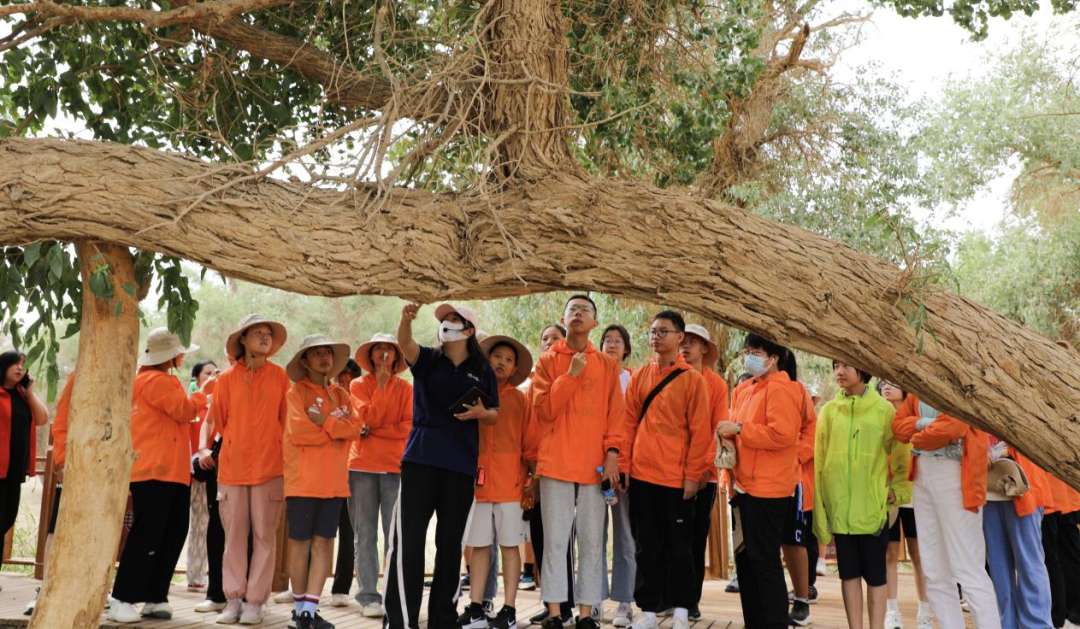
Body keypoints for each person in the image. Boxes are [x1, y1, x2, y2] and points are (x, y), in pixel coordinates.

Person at [384, 303, 499, 629]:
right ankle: (401, 620)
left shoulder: (482, 369)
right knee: (408, 543)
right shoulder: (428, 359)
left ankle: (443, 620)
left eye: (453, 319)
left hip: (461, 466)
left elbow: (494, 413)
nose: (446, 323)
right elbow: (404, 344)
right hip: (420, 459)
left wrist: (482, 414)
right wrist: (405, 319)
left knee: (450, 546)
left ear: (469, 330)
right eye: (443, 320)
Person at [531, 295, 625, 629]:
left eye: (585, 310)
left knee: (592, 542)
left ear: (594, 322)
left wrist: (613, 453)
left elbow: (616, 413)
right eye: (573, 309)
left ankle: (587, 613)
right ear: (563, 318)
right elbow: (544, 411)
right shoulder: (547, 361)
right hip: (556, 462)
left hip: (594, 465)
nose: (579, 314)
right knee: (555, 541)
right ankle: (556, 612)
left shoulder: (608, 365)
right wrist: (570, 375)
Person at [107, 329, 205, 623]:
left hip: (167, 469)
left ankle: (155, 596)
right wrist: (203, 395)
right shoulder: (157, 380)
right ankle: (123, 597)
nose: (183, 356)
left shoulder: (147, 380)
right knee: (150, 533)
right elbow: (184, 410)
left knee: (169, 532)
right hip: (157, 469)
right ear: (171, 356)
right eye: (180, 352)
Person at [623, 311, 711, 629]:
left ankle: (682, 610)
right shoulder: (640, 376)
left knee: (679, 546)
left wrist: (692, 476)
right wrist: (625, 466)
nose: (656, 337)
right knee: (646, 545)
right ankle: (648, 610)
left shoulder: (692, 380)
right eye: (653, 331)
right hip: (642, 475)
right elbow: (627, 423)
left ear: (679, 337)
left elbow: (701, 433)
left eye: (663, 331)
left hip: (676, 478)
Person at [715, 334, 802, 629]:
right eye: (747, 351)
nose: (748, 357)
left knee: (764, 561)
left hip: (769, 489)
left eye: (756, 351)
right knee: (747, 561)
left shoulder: (783, 389)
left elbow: (782, 435)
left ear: (773, 358)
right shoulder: (745, 389)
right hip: (742, 486)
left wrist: (740, 428)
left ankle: (775, 622)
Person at [893, 394, 1000, 629]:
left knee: (968, 568)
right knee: (934, 569)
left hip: (957, 474)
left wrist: (917, 434)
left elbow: (953, 427)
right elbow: (898, 427)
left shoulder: (962, 383)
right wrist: (925, 424)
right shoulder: (916, 389)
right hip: (922, 476)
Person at [813, 361, 907, 629]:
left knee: (876, 576)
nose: (839, 372)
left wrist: (899, 489)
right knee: (849, 575)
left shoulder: (884, 410)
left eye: (847, 366)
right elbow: (819, 462)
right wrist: (821, 509)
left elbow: (902, 451)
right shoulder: (829, 412)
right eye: (836, 366)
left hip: (872, 510)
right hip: (840, 511)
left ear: (863, 370)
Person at [209, 314, 290, 624]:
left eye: (268, 333)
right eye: (258, 332)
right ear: (242, 338)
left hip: (270, 468)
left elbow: (286, 420)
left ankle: (255, 602)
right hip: (233, 469)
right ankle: (233, 601)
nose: (265, 337)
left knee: (265, 536)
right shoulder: (226, 379)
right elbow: (220, 420)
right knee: (234, 537)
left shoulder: (280, 376)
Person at [282, 335, 358, 629]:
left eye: (328, 352)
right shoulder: (295, 393)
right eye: (317, 353)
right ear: (304, 361)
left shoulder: (342, 395)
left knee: (324, 542)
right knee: (300, 543)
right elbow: (299, 432)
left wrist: (324, 422)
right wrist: (335, 431)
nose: (325, 357)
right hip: (302, 481)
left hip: (334, 482)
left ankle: (309, 610)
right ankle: (299, 608)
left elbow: (355, 428)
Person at [459, 335, 534, 629]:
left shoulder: (519, 398)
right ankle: (476, 608)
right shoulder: (472, 393)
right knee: (479, 546)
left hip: (510, 483)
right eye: (497, 357)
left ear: (515, 368)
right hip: (476, 482)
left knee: (510, 546)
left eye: (509, 359)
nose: (502, 362)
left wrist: (531, 478)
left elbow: (529, 442)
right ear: (486, 360)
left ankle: (509, 609)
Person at [348, 334, 412, 618]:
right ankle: (368, 596)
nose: (384, 353)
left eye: (390, 349)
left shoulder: (407, 389)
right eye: (379, 348)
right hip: (361, 466)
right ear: (370, 355)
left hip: (395, 467)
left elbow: (407, 428)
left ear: (397, 357)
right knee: (364, 534)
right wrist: (383, 388)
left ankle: (393, 593)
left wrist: (375, 430)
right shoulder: (357, 385)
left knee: (394, 535)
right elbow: (367, 419)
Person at [522, 323, 577, 626]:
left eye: (555, 337)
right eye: (544, 338)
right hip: (535, 467)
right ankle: (551, 602)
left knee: (560, 539)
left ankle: (566, 605)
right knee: (540, 536)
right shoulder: (535, 382)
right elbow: (529, 427)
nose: (549, 342)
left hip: (560, 466)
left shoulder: (573, 377)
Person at [678, 323, 729, 622]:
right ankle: (669, 596)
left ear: (705, 348)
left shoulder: (716, 385)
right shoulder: (672, 375)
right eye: (683, 340)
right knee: (670, 536)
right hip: (669, 470)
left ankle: (690, 599)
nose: (686, 346)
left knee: (696, 538)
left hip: (704, 474)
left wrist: (700, 469)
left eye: (694, 341)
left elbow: (717, 429)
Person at [982, 435, 1054, 629]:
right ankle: (1008, 624)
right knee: (998, 567)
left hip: (1023, 485)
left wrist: (999, 451)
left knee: (1029, 563)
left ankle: (1037, 625)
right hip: (988, 490)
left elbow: (1038, 438)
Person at [877, 380, 931, 629]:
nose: (887, 387)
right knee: (889, 552)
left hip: (914, 492)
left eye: (893, 383)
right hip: (886, 493)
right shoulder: (879, 415)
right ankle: (892, 611)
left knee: (918, 553)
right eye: (883, 383)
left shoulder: (917, 413)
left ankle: (925, 611)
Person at [599, 323, 635, 627]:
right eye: (607, 340)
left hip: (621, 469)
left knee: (625, 536)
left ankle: (625, 600)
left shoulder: (632, 381)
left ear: (626, 349)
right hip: (592, 469)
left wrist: (624, 465)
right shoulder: (591, 377)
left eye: (617, 341)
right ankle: (594, 598)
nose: (611, 344)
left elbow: (633, 429)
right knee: (593, 535)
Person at [779, 354, 818, 626]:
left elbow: (811, 430)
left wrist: (795, 457)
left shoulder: (797, 392)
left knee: (793, 542)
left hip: (794, 480)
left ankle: (802, 599)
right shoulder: (749, 388)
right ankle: (774, 601)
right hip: (760, 482)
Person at [330, 358, 363, 607]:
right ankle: (302, 587)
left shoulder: (359, 402)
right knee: (316, 533)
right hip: (326, 472)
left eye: (348, 378)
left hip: (354, 473)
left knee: (349, 531)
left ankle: (341, 588)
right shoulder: (326, 399)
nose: (344, 383)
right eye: (340, 378)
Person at [186, 360, 219, 593]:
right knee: (193, 523)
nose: (212, 377)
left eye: (215, 373)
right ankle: (194, 574)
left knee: (206, 523)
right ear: (197, 378)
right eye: (207, 373)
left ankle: (201, 574)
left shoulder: (219, 404)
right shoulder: (192, 404)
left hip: (213, 469)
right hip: (190, 470)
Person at [1041, 472, 1080, 628]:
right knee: (1065, 553)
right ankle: (1067, 614)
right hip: (1062, 492)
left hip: (1051, 495)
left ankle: (1059, 615)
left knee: (1052, 557)